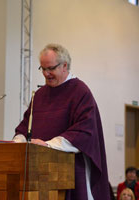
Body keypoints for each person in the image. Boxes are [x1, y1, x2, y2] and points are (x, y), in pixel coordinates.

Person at [13, 43, 110, 200]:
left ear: (64, 66)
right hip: (39, 172)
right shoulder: (39, 95)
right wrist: (19, 141)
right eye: (43, 69)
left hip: (70, 169)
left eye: (50, 68)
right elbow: (25, 126)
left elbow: (84, 132)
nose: (46, 74)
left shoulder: (80, 91)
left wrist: (48, 145)